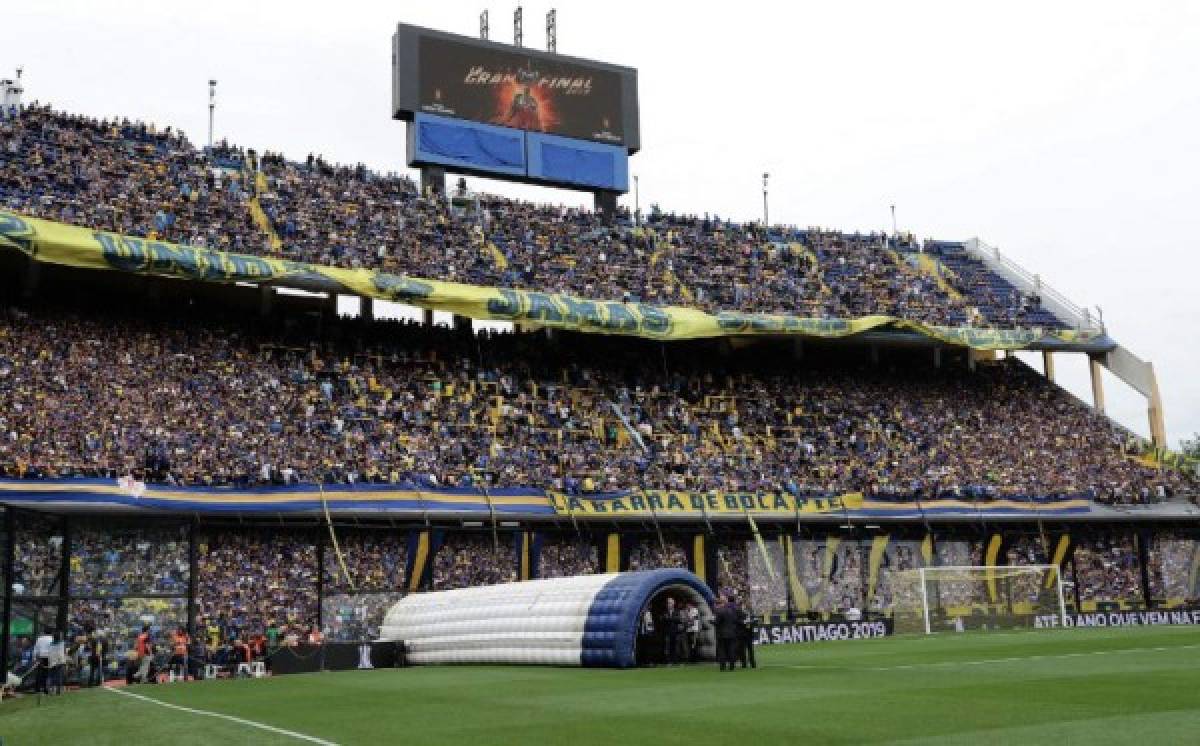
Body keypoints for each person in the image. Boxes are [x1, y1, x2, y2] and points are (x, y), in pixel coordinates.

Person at [712, 596, 740, 672]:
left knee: (722, 651)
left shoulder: (719, 612)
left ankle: (723, 666)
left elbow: (717, 622)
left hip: (722, 634)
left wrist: (711, 621)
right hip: (731, 633)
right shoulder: (731, 611)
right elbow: (735, 621)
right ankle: (732, 666)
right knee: (731, 650)